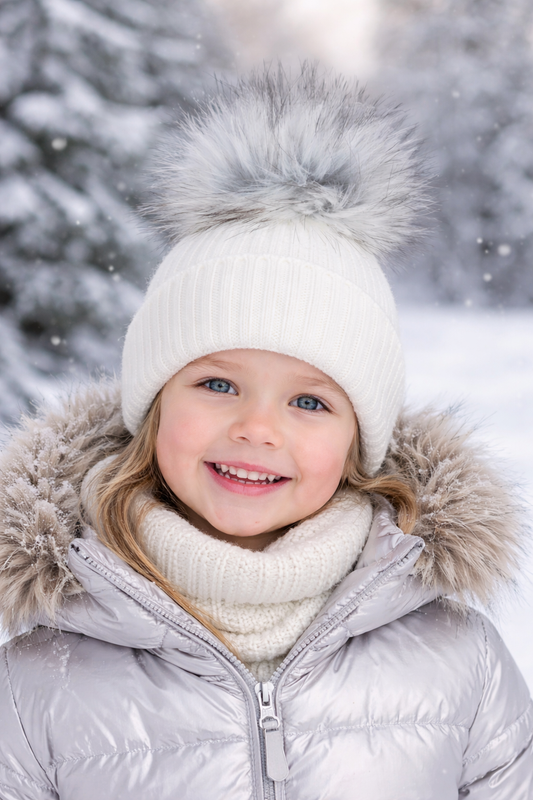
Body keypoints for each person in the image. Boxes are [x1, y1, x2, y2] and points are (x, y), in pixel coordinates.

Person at [0, 65, 531, 799]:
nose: (256, 428)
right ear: (153, 407)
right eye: (218, 385)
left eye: (309, 402)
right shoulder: (37, 681)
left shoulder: (458, 660)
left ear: (357, 441)